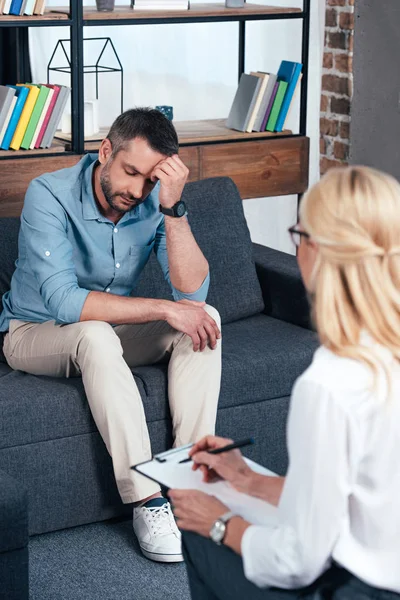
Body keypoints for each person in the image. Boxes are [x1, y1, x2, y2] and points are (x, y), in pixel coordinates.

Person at [0, 108, 222, 563]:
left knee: (205, 319)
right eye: (130, 173)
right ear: (106, 151)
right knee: (97, 334)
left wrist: (173, 209)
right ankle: (146, 500)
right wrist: (163, 308)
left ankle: (190, 481)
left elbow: (193, 291)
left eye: (149, 181)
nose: (135, 191)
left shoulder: (152, 202)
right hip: (32, 332)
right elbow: (65, 303)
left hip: (106, 331)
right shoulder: (49, 194)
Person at [170, 165, 400, 598]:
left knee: (200, 535)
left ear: (316, 250)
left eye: (298, 235)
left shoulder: (330, 383)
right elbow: (366, 500)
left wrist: (219, 522)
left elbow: (298, 559)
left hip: (364, 591)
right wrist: (247, 480)